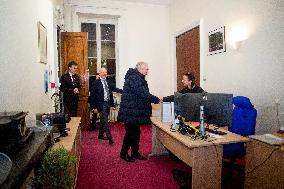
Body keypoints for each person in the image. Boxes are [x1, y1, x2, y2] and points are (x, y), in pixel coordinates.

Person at [118, 62, 161, 162]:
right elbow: (143, 94)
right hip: (130, 111)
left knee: (136, 133)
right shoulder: (134, 78)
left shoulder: (138, 78)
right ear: (140, 69)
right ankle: (123, 154)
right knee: (130, 134)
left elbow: (143, 94)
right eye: (146, 69)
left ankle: (135, 152)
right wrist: (157, 99)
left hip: (134, 111)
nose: (147, 71)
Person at [89, 67, 123, 145]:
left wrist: (126, 91)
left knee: (103, 120)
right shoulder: (95, 83)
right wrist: (93, 107)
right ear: (99, 73)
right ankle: (110, 138)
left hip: (108, 103)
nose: (104, 74)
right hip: (100, 104)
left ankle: (100, 135)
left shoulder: (108, 81)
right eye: (102, 72)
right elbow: (93, 96)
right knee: (105, 121)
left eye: (105, 72)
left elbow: (115, 89)